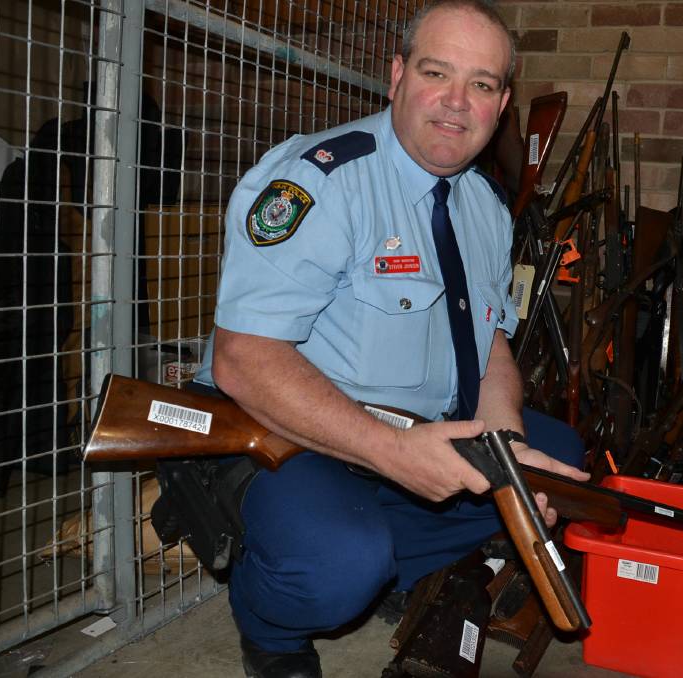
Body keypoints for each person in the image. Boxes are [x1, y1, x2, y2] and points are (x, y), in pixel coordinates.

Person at [190, 1, 588, 675]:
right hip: (295, 435)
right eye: (437, 73)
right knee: (338, 566)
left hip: (417, 426)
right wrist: (391, 453)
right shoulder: (318, 181)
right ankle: (271, 628)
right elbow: (242, 359)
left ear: (501, 105)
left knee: (558, 462)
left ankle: (389, 558)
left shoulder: (487, 207)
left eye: (482, 84)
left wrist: (505, 444)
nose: (456, 102)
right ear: (397, 75)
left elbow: (491, 343)